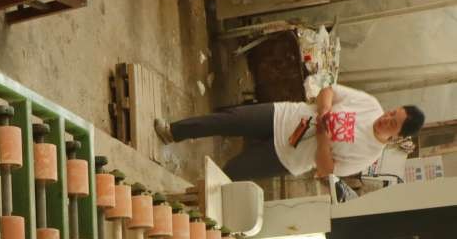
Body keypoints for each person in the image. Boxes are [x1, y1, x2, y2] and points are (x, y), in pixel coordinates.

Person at [154, 86, 423, 181]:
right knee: (228, 121)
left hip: (285, 157)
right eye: (391, 113)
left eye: (393, 123)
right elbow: (329, 90)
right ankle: (173, 131)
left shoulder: (370, 154)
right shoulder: (369, 104)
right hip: (283, 117)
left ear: (397, 136)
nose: (385, 119)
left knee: (231, 173)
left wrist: (323, 140)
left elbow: (327, 171)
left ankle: (182, 197)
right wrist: (325, 110)